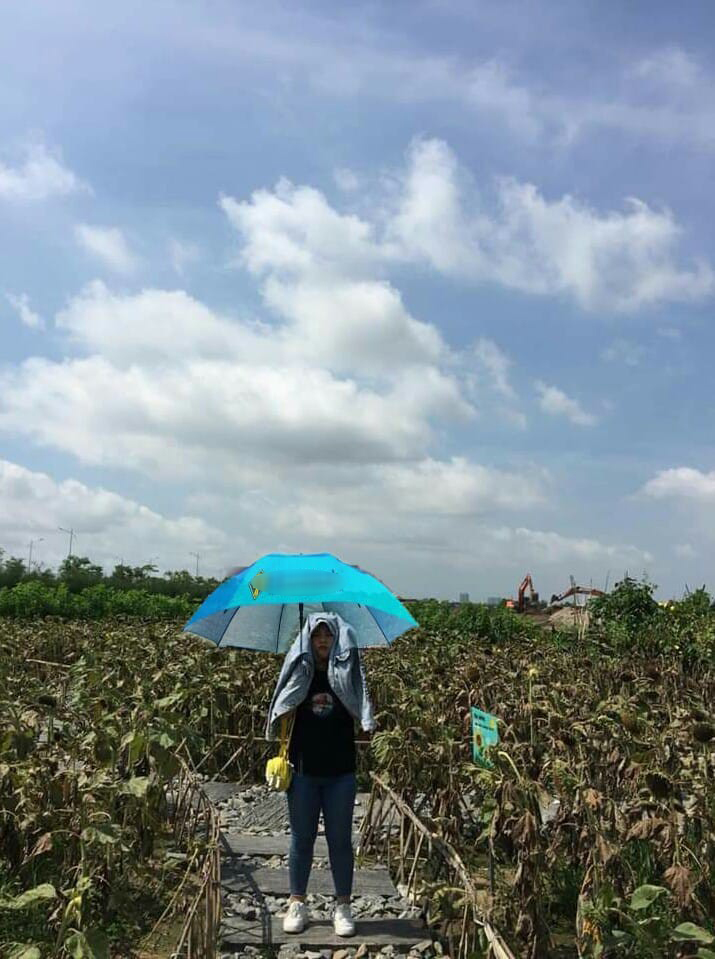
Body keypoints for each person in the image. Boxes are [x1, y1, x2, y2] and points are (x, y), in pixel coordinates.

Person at [266, 611, 376, 937]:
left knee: (340, 841)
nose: (323, 640)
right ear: (309, 639)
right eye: (316, 635)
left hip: (341, 771)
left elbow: (362, 703)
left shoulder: (347, 673)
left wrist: (366, 720)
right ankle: (297, 902)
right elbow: (282, 704)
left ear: (337, 638)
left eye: (328, 635)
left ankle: (343, 906)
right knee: (302, 839)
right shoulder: (300, 673)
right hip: (303, 770)